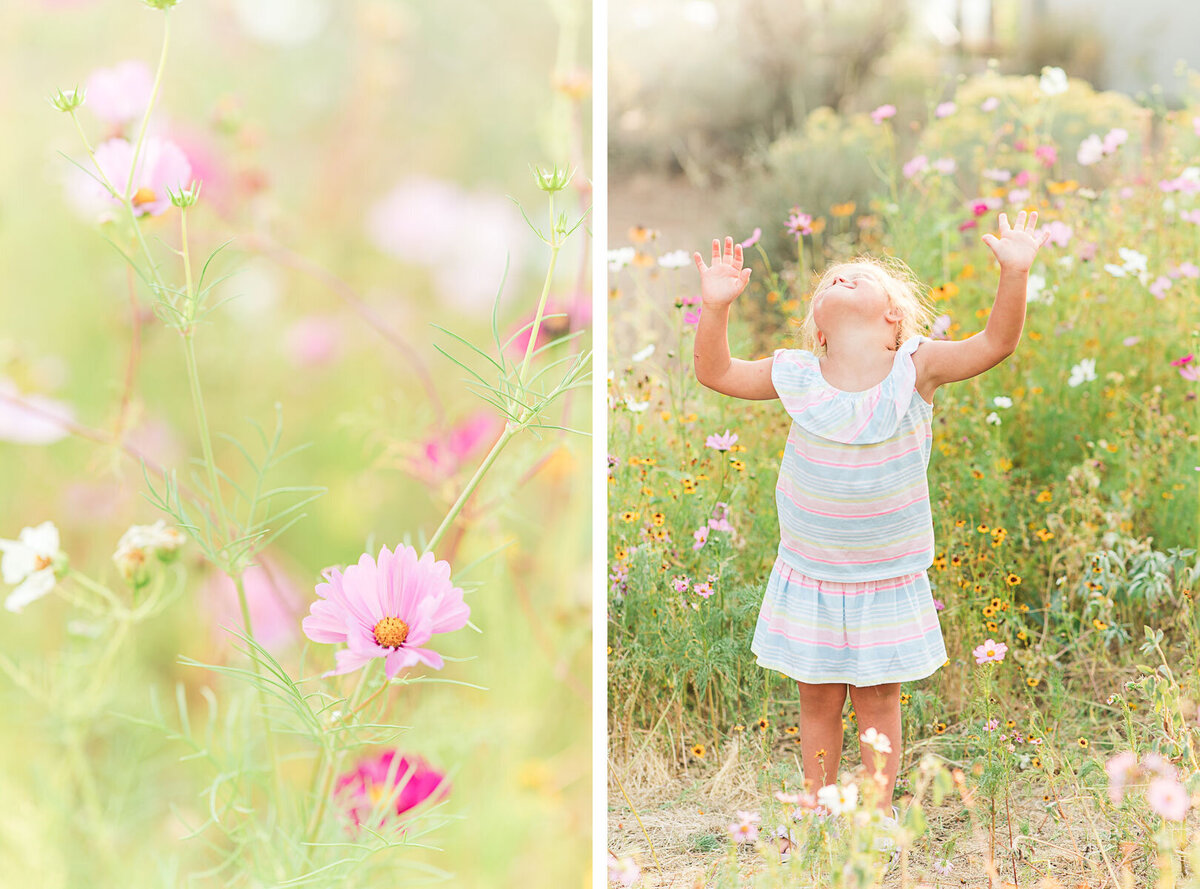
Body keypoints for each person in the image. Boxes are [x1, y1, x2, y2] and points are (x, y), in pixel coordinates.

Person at [690, 213, 1049, 853]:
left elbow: (995, 343)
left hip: (886, 574)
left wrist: (1014, 272)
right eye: (832, 278)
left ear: (895, 320)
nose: (843, 274)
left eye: (860, 277)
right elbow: (716, 373)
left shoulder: (918, 367)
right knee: (818, 697)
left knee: (880, 697)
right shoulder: (795, 374)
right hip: (813, 573)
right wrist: (713, 309)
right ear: (819, 326)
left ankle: (875, 815)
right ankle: (819, 810)